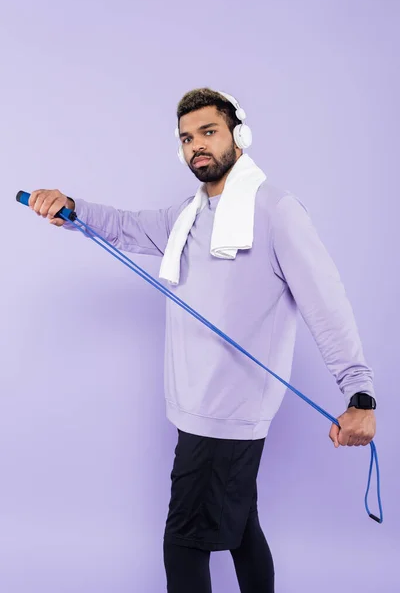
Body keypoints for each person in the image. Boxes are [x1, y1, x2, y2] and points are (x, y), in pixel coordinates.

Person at [28, 88, 377, 592]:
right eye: (187, 138)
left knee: (184, 543)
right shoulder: (186, 217)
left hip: (228, 414)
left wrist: (360, 394)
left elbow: (328, 304)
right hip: (195, 409)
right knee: (239, 529)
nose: (197, 145)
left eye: (209, 132)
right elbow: (125, 227)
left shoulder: (277, 211)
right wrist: (73, 208)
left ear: (238, 134)